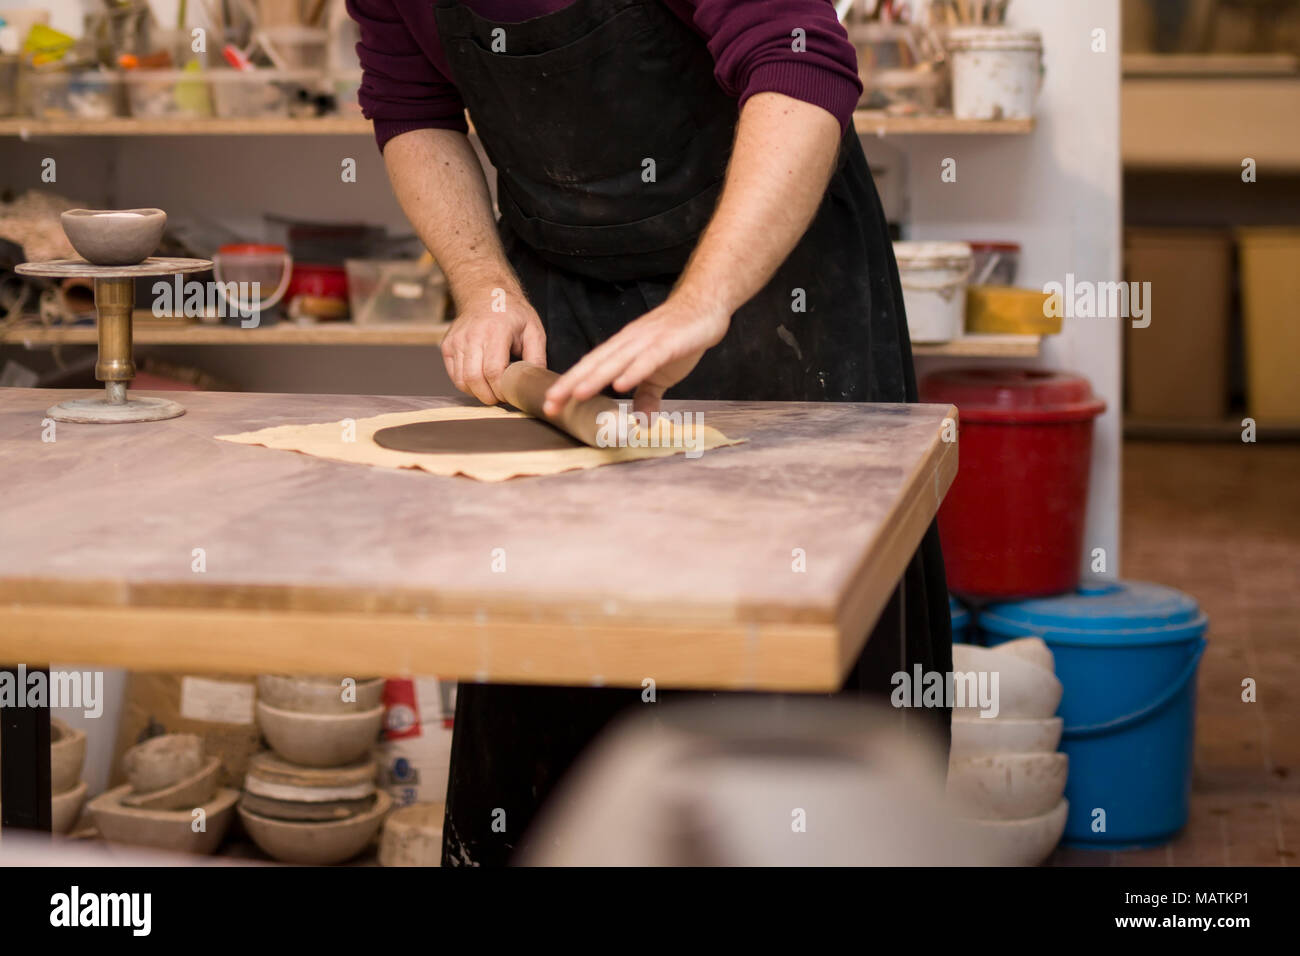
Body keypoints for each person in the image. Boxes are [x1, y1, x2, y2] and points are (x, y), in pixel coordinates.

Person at [348, 0, 952, 866]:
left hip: (773, 286)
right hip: (566, 291)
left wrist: (703, 303)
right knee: (549, 636)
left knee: (782, 634)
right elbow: (412, 109)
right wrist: (483, 281)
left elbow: (800, 65)